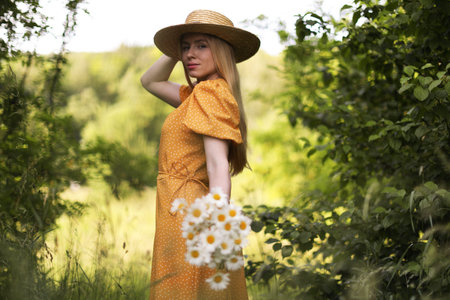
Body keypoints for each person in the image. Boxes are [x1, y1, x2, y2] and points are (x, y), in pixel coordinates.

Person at [140, 9, 260, 300]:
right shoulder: (198, 95)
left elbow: (218, 165)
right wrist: (174, 47)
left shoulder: (210, 94)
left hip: (188, 209)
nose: (189, 55)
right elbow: (150, 81)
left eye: (201, 45)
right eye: (185, 47)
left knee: (181, 290)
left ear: (220, 50)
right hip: (179, 205)